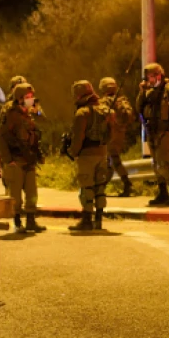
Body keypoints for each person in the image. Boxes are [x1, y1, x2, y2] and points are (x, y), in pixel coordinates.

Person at [0, 83, 47, 233]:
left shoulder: (30, 113)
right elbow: (1, 137)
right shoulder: (10, 114)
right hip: (16, 159)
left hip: (29, 158)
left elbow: (44, 121)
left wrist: (37, 111)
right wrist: (8, 160)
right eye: (28, 97)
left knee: (32, 192)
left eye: (31, 97)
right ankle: (17, 223)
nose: (31, 99)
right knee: (16, 195)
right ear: (19, 98)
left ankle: (31, 221)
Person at [135, 63, 169, 206]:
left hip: (164, 132)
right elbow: (139, 108)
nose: (148, 80)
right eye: (147, 77)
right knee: (156, 164)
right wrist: (141, 92)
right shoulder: (149, 91)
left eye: (150, 76)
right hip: (152, 132)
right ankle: (162, 193)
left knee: (164, 163)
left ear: (158, 75)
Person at [67, 80, 113, 231]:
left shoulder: (82, 113)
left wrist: (73, 153)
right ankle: (98, 219)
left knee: (87, 187)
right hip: (102, 152)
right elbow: (111, 133)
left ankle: (86, 220)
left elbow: (78, 137)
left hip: (87, 154)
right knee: (100, 187)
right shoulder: (106, 111)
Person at [99, 77, 135, 197]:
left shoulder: (104, 101)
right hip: (120, 133)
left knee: (112, 160)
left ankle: (127, 184)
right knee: (112, 160)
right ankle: (102, 187)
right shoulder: (121, 100)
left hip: (110, 133)